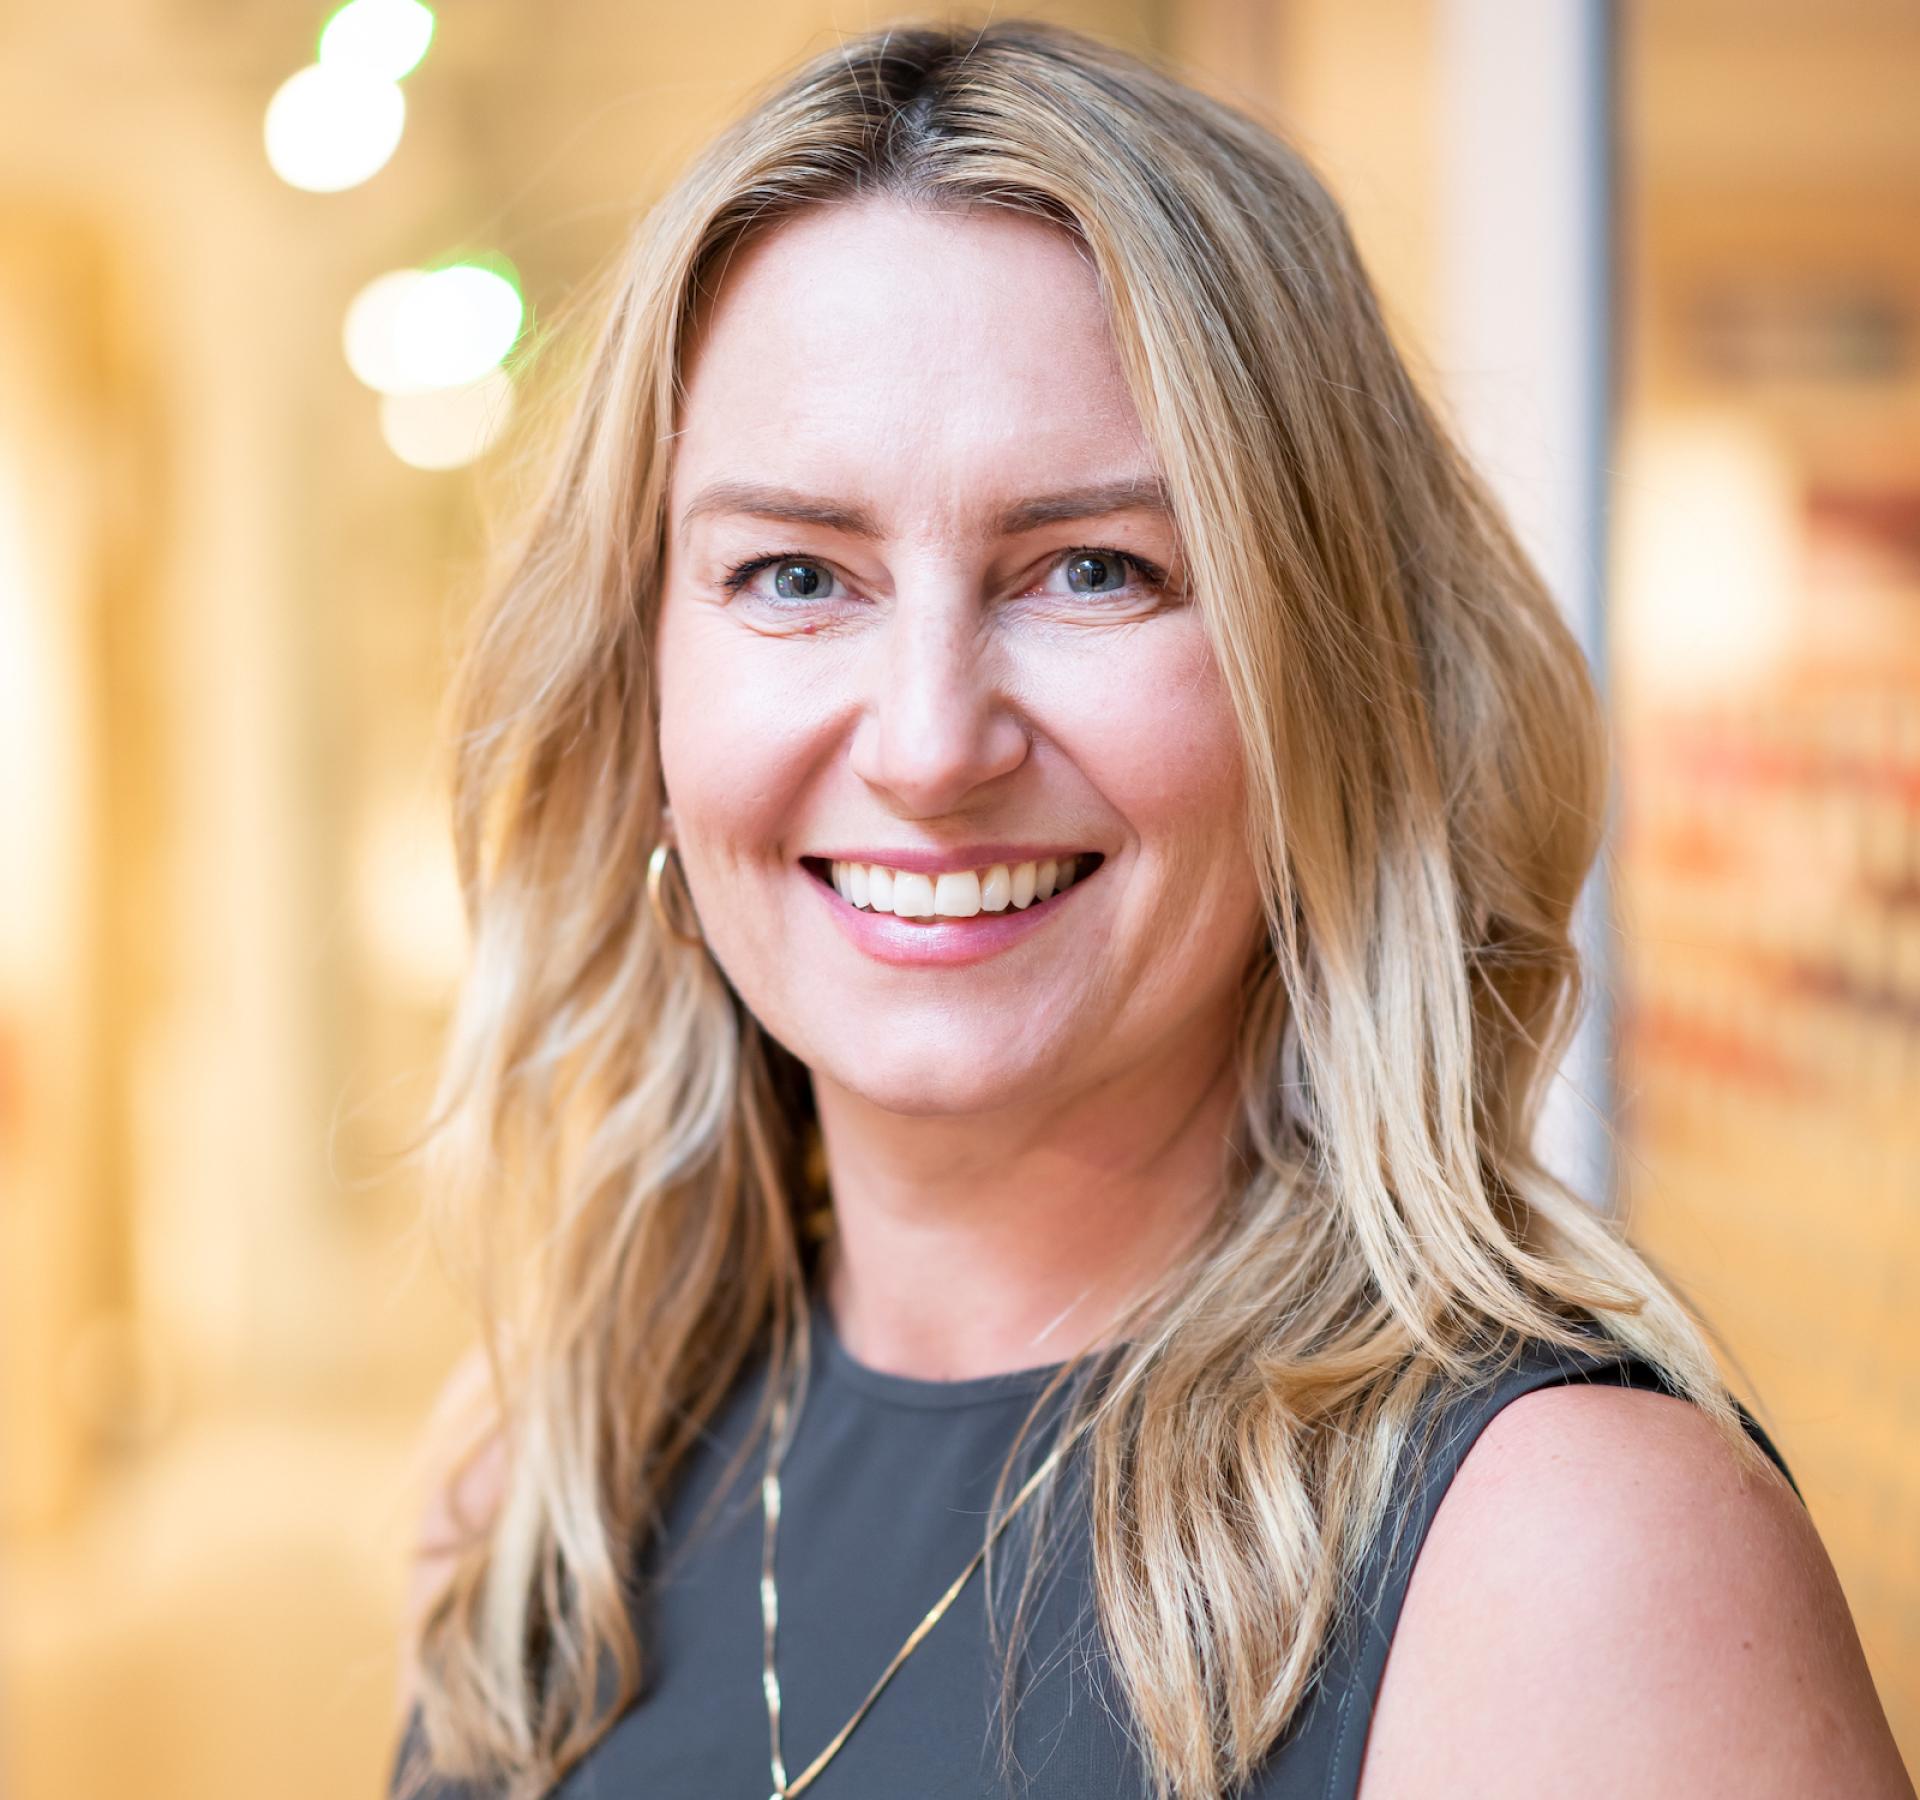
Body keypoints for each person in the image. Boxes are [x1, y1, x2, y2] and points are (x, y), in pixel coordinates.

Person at [387, 19, 1915, 1800]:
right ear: (643, 682)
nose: (931, 743)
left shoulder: (1573, 1565)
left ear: (1327, 683)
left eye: (1097, 568)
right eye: (795, 574)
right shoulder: (543, 1488)